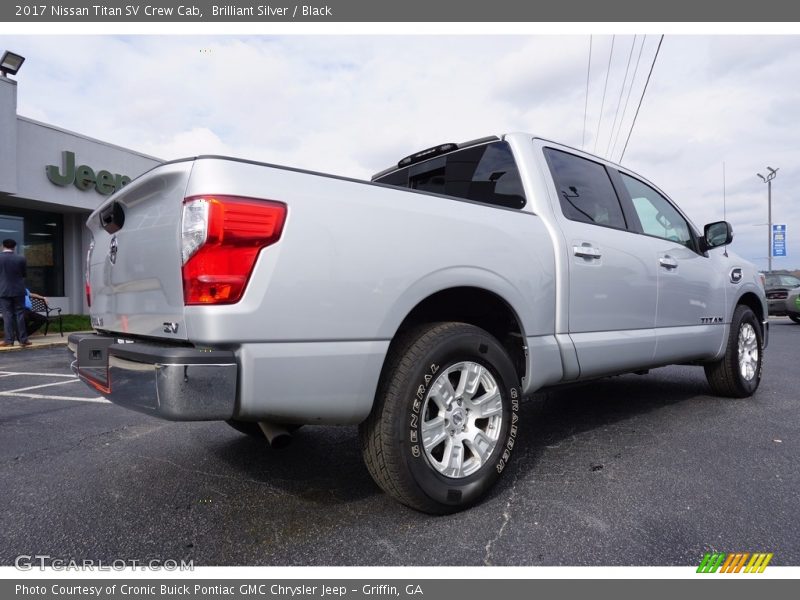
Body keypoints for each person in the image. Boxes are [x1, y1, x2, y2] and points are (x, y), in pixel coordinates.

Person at [0, 238, 31, 347]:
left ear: (2, 246)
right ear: (14, 247)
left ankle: (8, 340)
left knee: (7, 315)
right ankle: (23, 340)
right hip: (19, 290)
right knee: (20, 314)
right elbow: (23, 274)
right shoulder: (21, 258)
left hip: (3, 290)